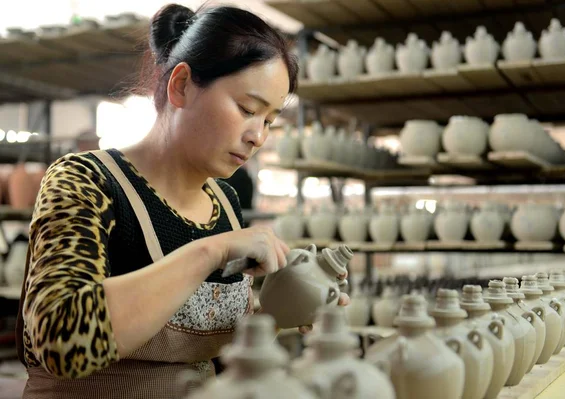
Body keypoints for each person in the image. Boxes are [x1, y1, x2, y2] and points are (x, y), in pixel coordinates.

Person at [15, 4, 349, 398]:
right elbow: (62, 340)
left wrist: (279, 312)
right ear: (182, 85)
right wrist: (208, 252)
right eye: (247, 109)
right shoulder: (86, 181)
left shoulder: (224, 202)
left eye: (269, 121)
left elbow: (223, 363)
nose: (257, 136)